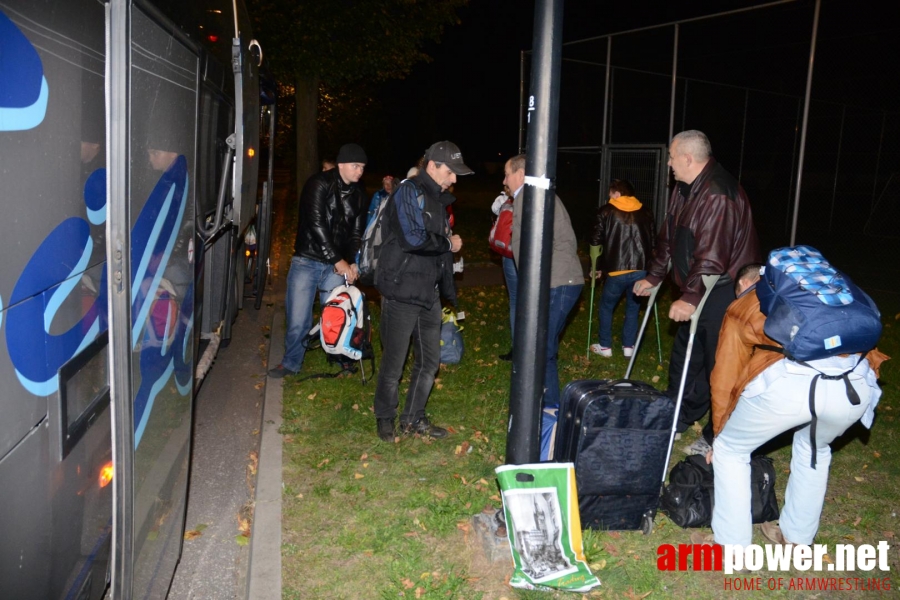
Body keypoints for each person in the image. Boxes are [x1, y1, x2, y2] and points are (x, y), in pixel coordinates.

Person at [693, 264, 887, 548]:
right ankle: (797, 539)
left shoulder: (745, 302)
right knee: (814, 449)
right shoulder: (829, 293)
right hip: (855, 385)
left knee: (731, 451)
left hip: (794, 384)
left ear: (748, 282)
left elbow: (726, 373)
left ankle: (733, 547)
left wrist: (719, 432)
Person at [633, 130, 760, 455]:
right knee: (686, 359)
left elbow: (713, 255)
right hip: (701, 284)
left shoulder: (718, 194)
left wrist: (690, 297)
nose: (670, 164)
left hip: (724, 289)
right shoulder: (685, 188)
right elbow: (668, 237)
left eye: (673, 157)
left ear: (688, 158)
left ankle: (719, 432)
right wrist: (654, 275)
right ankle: (678, 417)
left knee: (721, 364)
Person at [373, 141, 470, 441]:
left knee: (429, 362)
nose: (455, 179)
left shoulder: (439, 198)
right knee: (394, 362)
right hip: (402, 290)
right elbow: (414, 239)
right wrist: (448, 244)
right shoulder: (408, 191)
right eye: (451, 172)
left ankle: (413, 418)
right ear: (433, 166)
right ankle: (385, 417)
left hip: (428, 292)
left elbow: (433, 241)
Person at [268, 143, 368, 378]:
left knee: (337, 314)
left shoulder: (359, 194)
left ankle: (341, 357)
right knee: (298, 318)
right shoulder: (318, 184)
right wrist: (338, 260)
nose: (360, 171)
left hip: (337, 263)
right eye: (356, 166)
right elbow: (316, 225)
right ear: (342, 164)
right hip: (307, 259)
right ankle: (291, 362)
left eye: (362, 167)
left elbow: (356, 233)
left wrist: (351, 261)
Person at [507, 153, 584, 410]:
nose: (505, 180)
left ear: (520, 174)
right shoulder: (537, 194)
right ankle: (544, 402)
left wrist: (529, 283)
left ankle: (549, 408)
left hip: (558, 282)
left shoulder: (527, 197)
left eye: (507, 174)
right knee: (543, 345)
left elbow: (528, 247)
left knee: (541, 347)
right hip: (559, 280)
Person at [589, 178, 655, 358]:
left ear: (617, 193)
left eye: (611, 194)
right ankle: (628, 347)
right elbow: (653, 241)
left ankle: (605, 347)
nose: (609, 197)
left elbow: (596, 241)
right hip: (640, 269)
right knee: (633, 308)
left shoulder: (606, 211)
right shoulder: (646, 212)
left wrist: (596, 266)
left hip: (616, 270)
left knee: (606, 307)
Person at [492, 185, 516, 362]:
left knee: (515, 301)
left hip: (510, 255)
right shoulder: (538, 197)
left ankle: (517, 347)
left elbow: (494, 210)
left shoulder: (505, 201)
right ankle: (533, 346)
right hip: (528, 255)